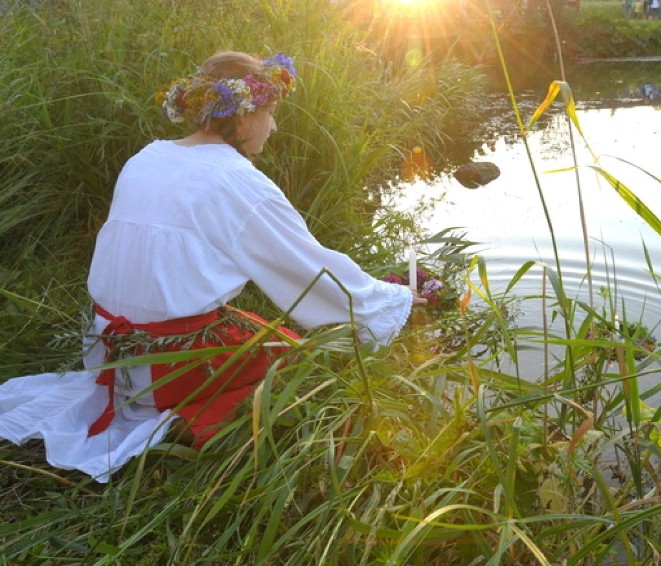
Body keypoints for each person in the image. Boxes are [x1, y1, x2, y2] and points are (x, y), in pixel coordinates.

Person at [0, 51, 426, 482]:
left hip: (105, 350)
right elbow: (312, 270)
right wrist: (394, 298)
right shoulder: (234, 179)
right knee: (303, 366)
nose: (275, 126)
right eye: (271, 112)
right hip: (171, 362)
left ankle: (156, 402)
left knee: (256, 330)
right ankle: (189, 421)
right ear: (241, 114)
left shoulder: (147, 156)